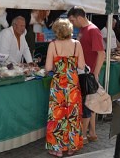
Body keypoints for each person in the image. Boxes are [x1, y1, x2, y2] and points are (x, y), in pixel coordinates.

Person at [45, 18, 85, 157]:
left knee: (57, 115)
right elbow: (81, 66)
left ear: (56, 31)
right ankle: (71, 146)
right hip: (72, 83)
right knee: (72, 115)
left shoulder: (53, 45)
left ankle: (57, 149)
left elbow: (48, 67)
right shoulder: (77, 44)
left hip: (58, 84)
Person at [67, 6, 105, 145]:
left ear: (79, 17)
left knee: (87, 105)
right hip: (84, 73)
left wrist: (95, 74)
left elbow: (101, 53)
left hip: (89, 74)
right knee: (91, 104)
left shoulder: (93, 30)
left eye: (72, 20)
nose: (71, 23)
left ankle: (83, 135)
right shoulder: (83, 30)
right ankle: (92, 133)